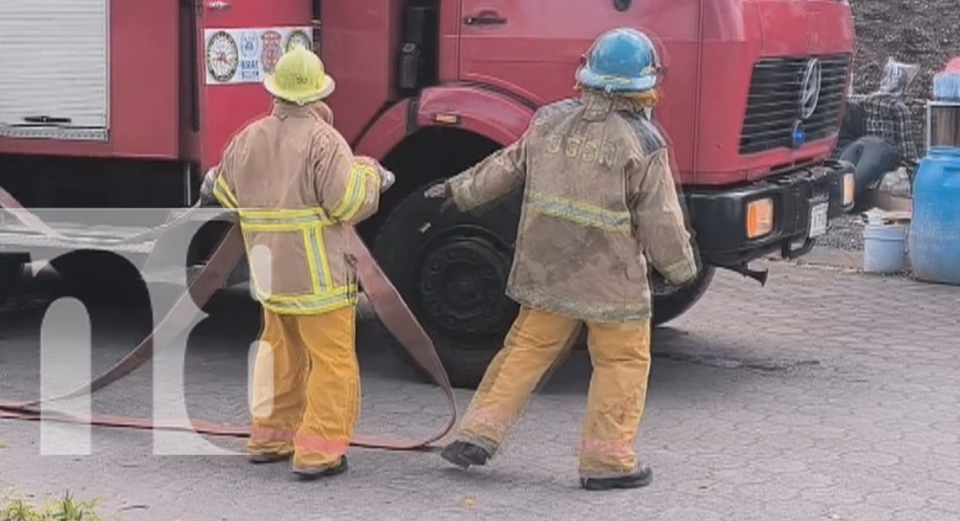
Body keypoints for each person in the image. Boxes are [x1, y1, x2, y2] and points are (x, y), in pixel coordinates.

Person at [427, 27, 697, 491]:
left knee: (524, 353)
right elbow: (661, 219)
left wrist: (455, 192)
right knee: (622, 362)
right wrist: (680, 271)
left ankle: (478, 433)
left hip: (547, 270)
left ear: (587, 76)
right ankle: (607, 462)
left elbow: (503, 169)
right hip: (612, 282)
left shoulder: (548, 122)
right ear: (643, 85)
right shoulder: (644, 143)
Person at [199, 46, 392, 480]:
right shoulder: (325, 141)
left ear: (277, 92)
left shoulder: (248, 138)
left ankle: (270, 438)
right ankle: (318, 453)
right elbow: (347, 202)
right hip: (319, 281)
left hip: (270, 279)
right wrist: (373, 177)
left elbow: (227, 195)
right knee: (332, 364)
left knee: (278, 356)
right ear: (318, 94)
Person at [839, 59, 919, 210]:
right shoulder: (899, 108)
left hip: (865, 149)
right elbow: (906, 145)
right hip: (886, 155)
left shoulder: (869, 100)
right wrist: (915, 168)